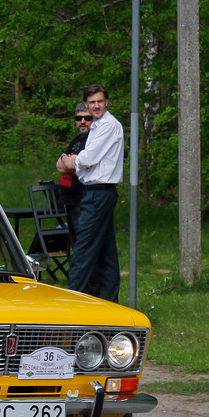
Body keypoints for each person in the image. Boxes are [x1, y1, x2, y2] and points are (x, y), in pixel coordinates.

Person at [60, 84, 124, 302]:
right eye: (92, 102)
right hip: (95, 192)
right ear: (86, 105)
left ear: (107, 102)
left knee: (82, 252)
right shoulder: (97, 126)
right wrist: (77, 161)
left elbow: (87, 159)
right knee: (106, 255)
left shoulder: (108, 126)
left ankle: (70, 306)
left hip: (99, 194)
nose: (96, 106)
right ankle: (109, 304)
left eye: (100, 101)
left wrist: (70, 160)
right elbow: (85, 161)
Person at [55, 102, 92, 245]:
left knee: (83, 242)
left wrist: (68, 161)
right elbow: (59, 165)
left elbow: (76, 166)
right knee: (75, 241)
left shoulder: (92, 141)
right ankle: (78, 267)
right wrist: (68, 160)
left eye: (87, 118)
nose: (82, 122)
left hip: (82, 199)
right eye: (78, 118)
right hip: (70, 199)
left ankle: (84, 267)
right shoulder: (77, 140)